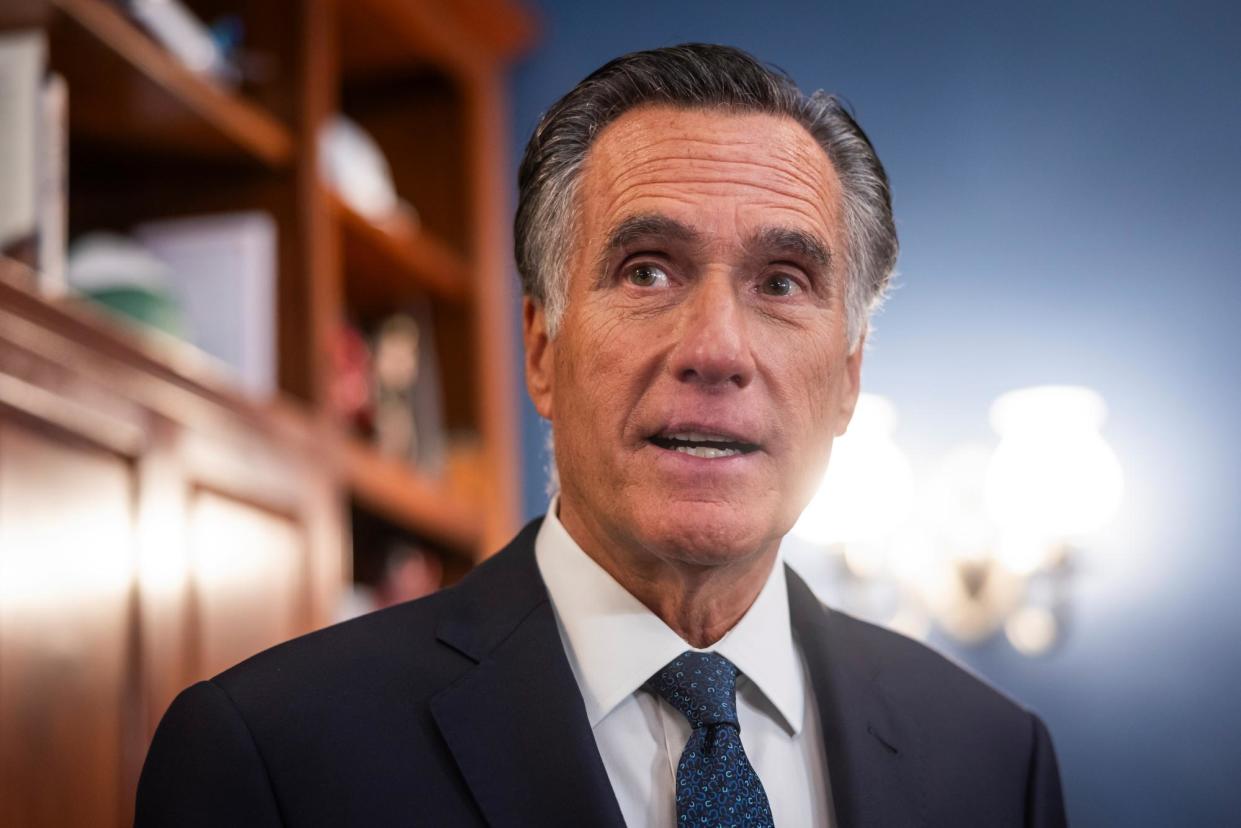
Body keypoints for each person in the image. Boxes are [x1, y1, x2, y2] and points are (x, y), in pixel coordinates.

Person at [135, 44, 1068, 827]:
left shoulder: (994, 760)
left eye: (782, 282)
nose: (715, 349)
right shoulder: (272, 754)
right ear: (541, 347)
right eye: (648, 271)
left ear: (849, 379)